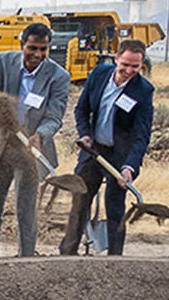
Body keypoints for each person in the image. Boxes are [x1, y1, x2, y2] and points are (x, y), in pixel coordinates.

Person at [0, 22, 71, 257]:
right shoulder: (4, 62)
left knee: (26, 211)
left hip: (32, 152)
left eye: (43, 49)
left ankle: (26, 261)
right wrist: (1, 116)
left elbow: (54, 115)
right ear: (22, 45)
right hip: (1, 145)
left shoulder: (59, 76)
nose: (37, 54)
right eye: (32, 48)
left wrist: (41, 134)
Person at [58, 39, 155, 256]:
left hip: (119, 156)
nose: (129, 71)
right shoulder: (99, 74)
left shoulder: (144, 90)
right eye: (125, 65)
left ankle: (114, 260)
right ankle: (67, 255)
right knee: (80, 202)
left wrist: (129, 167)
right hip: (93, 151)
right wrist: (85, 135)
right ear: (116, 59)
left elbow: (141, 136)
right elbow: (81, 110)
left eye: (136, 66)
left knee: (115, 208)